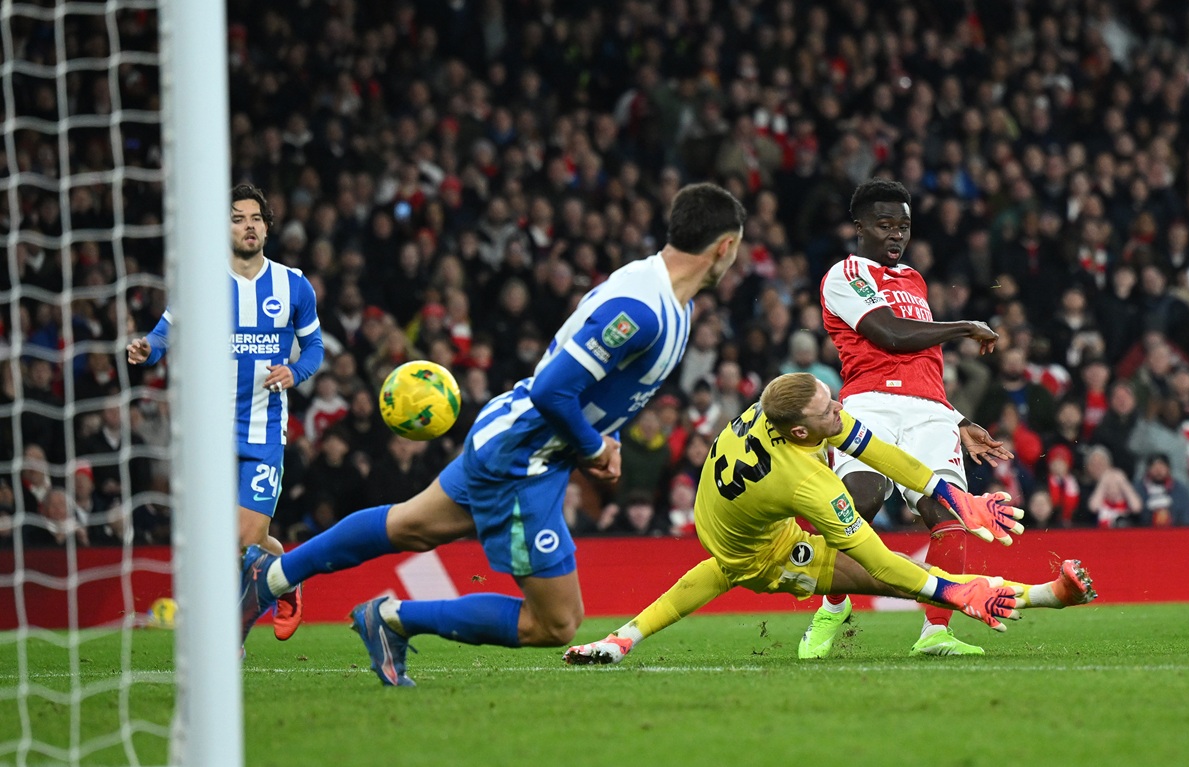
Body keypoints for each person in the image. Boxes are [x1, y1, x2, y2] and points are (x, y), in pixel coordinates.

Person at [238, 182, 748, 686]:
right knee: (557, 622)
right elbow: (553, 390)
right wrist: (592, 445)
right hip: (525, 458)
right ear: (724, 247)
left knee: (410, 526)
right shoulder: (642, 310)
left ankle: (274, 576)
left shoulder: (668, 300)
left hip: (516, 437)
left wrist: (598, 438)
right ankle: (393, 618)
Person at [564, 373, 1096, 665]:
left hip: (736, 526)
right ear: (801, 433)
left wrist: (953, 496)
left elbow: (881, 451)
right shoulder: (809, 484)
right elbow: (883, 565)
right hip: (765, 556)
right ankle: (1049, 595)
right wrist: (956, 595)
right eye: (828, 412)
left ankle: (621, 640)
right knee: (892, 578)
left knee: (715, 568)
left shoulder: (785, 403)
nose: (839, 409)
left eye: (831, 398)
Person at [814, 178, 1014, 657]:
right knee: (859, 502)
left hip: (930, 410)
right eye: (884, 225)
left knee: (946, 514)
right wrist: (965, 325)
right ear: (858, 226)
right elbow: (890, 335)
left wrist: (958, 416)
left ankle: (937, 631)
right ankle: (834, 604)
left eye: (903, 226)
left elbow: (924, 361)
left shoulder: (914, 279)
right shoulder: (844, 274)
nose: (896, 235)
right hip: (868, 403)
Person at [127, 184, 324, 641]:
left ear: (267, 227)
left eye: (255, 218)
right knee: (231, 541)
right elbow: (163, 335)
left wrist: (295, 372)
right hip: (209, 432)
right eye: (237, 218)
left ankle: (225, 635)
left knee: (243, 539)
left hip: (264, 430)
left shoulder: (293, 284)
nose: (248, 225)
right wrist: (145, 349)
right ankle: (287, 585)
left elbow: (313, 345)